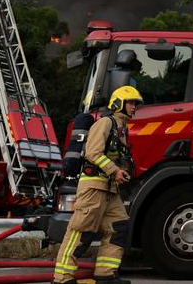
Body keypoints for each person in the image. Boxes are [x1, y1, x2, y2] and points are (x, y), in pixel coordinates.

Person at [53, 85, 143, 284]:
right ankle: (62, 278)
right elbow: (93, 153)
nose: (134, 107)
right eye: (131, 103)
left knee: (118, 227)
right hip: (94, 186)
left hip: (110, 189)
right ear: (118, 103)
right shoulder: (105, 123)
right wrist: (115, 170)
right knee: (81, 230)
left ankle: (105, 274)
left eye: (136, 104)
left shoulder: (122, 130)